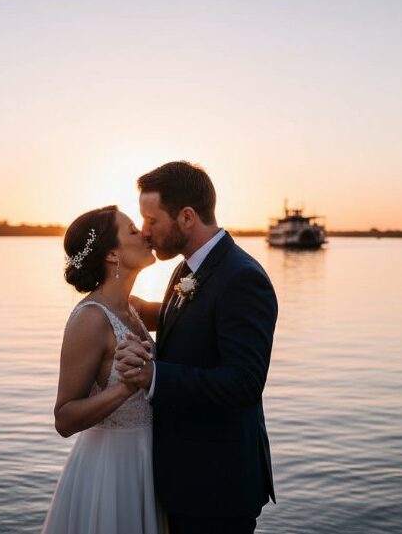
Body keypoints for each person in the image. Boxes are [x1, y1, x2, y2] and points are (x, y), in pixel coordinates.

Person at [116, 161, 277, 534]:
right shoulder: (188, 268)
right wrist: (142, 311)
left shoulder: (243, 278)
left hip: (217, 486)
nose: (145, 231)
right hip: (185, 478)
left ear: (186, 217)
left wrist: (155, 376)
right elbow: (197, 318)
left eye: (151, 220)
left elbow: (243, 383)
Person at [42, 205, 166, 534]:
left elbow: (190, 312)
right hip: (110, 469)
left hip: (147, 460)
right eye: (132, 231)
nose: (145, 234)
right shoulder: (90, 319)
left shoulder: (133, 308)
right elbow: (64, 418)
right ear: (112, 254)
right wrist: (125, 388)